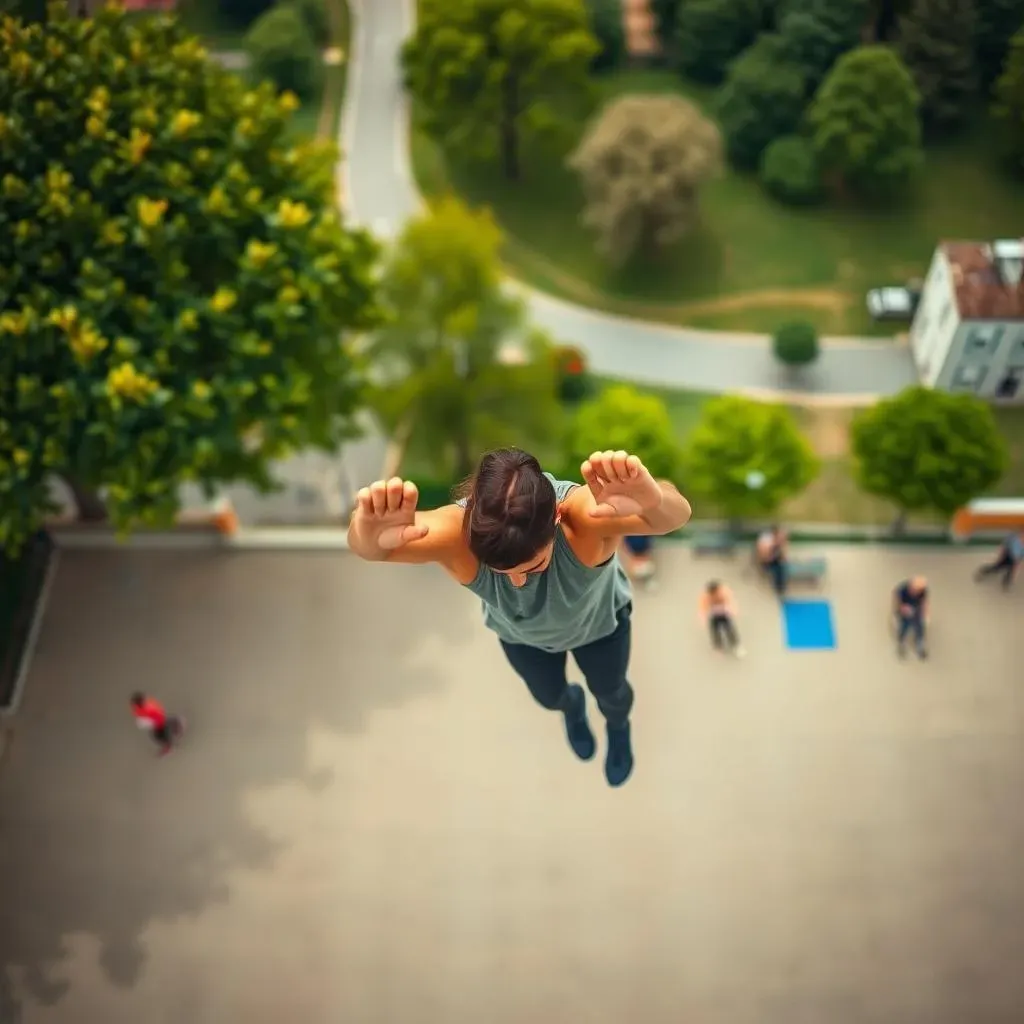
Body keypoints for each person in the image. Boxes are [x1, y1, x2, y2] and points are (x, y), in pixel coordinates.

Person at [347, 448, 692, 788]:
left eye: (534, 566)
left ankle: (618, 728)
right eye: (502, 571)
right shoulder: (455, 536)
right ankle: (572, 706)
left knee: (612, 694)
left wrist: (654, 500)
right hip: (522, 639)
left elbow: (674, 516)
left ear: (557, 517)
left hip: (600, 628)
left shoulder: (585, 519)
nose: (517, 581)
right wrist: (365, 531)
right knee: (548, 697)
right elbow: (372, 548)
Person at [698, 580, 745, 657]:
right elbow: (702, 608)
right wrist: (703, 619)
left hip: (724, 614)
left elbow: (731, 600)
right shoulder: (705, 596)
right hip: (714, 615)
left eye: (716, 591)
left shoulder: (724, 592)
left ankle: (736, 645)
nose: (715, 594)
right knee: (715, 631)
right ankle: (718, 646)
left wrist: (733, 610)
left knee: (729, 630)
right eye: (713, 592)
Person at [130, 692, 185, 756]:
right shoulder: (142, 707)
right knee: (160, 734)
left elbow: (158, 716)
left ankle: (169, 747)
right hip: (156, 721)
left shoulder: (149, 708)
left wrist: (152, 723)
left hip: (158, 723)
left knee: (160, 736)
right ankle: (176, 725)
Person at [892, 576, 929, 660]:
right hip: (905, 610)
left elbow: (924, 602)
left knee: (920, 627)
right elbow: (897, 601)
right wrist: (902, 608)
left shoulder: (922, 591)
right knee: (904, 626)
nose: (916, 592)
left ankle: (919, 643)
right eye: (915, 590)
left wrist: (925, 614)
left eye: (918, 590)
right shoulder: (903, 590)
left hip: (916, 609)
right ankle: (901, 643)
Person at [756, 525, 788, 597]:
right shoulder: (768, 543)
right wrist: (771, 556)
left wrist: (783, 546)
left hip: (776, 562)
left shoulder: (779, 544)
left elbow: (783, 556)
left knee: (782, 567)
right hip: (767, 562)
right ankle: (779, 589)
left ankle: (781, 588)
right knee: (778, 569)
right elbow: (765, 557)